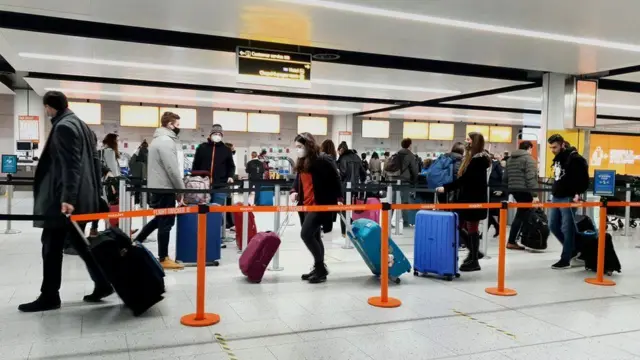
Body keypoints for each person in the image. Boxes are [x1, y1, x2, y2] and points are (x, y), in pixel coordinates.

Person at [20, 91, 113, 312]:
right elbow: (95, 164)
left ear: (49, 107)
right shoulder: (83, 126)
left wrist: (68, 199)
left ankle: (49, 296)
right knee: (80, 243)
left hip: (65, 201)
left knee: (51, 245)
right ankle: (102, 283)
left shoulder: (63, 127)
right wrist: (99, 195)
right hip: (84, 197)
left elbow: (69, 166)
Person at [134, 112, 185, 270]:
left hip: (158, 187)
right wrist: (181, 189)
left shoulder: (157, 140)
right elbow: (172, 168)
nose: (178, 128)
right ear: (170, 124)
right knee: (166, 223)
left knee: (159, 220)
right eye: (177, 125)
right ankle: (163, 257)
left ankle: (136, 242)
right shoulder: (165, 141)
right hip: (165, 188)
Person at [290, 133, 343, 284]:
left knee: (306, 234)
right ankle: (319, 268)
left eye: (300, 147)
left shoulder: (323, 160)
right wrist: (294, 191)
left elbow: (336, 178)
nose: (298, 150)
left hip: (320, 204)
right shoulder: (302, 161)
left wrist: (339, 198)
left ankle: (320, 268)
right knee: (315, 236)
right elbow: (298, 180)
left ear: (309, 145)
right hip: (305, 204)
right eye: (297, 147)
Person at [436, 132, 490, 272]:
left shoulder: (477, 161)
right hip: (470, 199)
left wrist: (446, 188)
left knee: (468, 227)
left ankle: (474, 259)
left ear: (475, 142)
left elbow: (465, 180)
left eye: (468, 139)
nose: (466, 141)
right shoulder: (474, 159)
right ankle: (474, 253)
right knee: (462, 226)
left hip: (473, 200)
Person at [547, 134, 589, 269]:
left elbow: (583, 179)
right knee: (553, 225)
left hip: (569, 196)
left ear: (562, 145)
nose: (552, 150)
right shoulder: (558, 159)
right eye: (551, 147)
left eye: (555, 147)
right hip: (557, 196)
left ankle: (566, 258)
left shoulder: (575, 159)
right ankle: (576, 248)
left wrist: (578, 193)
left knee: (567, 227)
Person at [503, 141, 539, 250]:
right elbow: (530, 178)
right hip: (525, 191)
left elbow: (505, 178)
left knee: (523, 214)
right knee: (521, 215)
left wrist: (509, 192)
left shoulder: (509, 160)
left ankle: (517, 238)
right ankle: (512, 240)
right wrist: (535, 195)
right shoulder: (529, 159)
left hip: (514, 190)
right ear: (529, 148)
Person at [191, 124, 236, 205]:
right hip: (203, 185)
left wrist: (230, 176)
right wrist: (194, 178)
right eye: (215, 134)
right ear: (210, 135)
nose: (217, 136)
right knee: (203, 210)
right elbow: (195, 164)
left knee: (217, 210)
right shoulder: (202, 148)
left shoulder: (226, 150)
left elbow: (231, 166)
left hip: (220, 185)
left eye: (219, 134)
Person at [386, 138, 419, 228]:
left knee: (392, 202)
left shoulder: (396, 154)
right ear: (409, 145)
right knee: (405, 201)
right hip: (404, 181)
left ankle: (388, 222)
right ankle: (405, 222)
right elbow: (414, 170)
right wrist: (414, 181)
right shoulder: (410, 155)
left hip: (393, 180)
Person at [337, 142, 366, 237]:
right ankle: (353, 226)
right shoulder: (357, 157)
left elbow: (342, 174)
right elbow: (363, 173)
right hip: (355, 188)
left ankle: (345, 231)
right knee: (349, 209)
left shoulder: (343, 158)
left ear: (341, 150)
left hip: (344, 187)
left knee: (342, 209)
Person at [488, 153, 505, 238]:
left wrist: (501, 190)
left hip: (497, 192)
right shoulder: (485, 167)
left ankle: (499, 228)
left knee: (492, 211)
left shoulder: (496, 165)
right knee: (488, 212)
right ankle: (497, 226)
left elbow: (503, 178)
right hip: (488, 191)